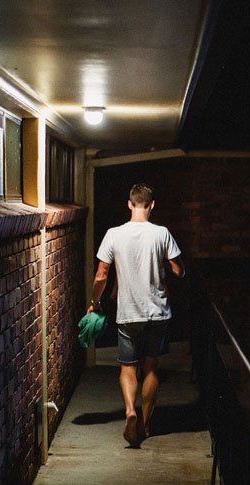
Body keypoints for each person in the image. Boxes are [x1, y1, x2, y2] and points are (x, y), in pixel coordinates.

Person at [88, 183, 185, 447]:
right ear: (152, 205)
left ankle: (130, 410)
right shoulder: (162, 233)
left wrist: (94, 302)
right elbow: (179, 271)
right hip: (158, 313)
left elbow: (101, 275)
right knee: (151, 367)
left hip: (128, 313)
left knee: (128, 367)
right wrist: (164, 266)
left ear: (129, 204)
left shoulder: (113, 234)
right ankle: (147, 422)